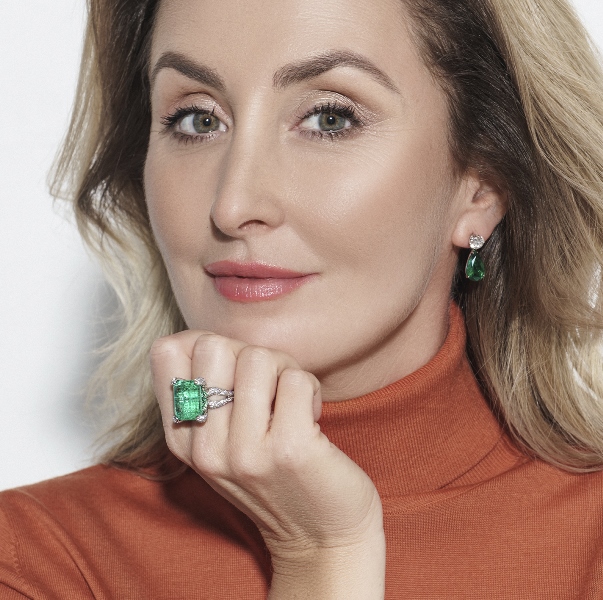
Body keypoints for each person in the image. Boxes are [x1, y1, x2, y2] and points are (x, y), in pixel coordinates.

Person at [2, 0, 603, 597]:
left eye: (329, 119)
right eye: (198, 120)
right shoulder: (38, 560)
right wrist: (321, 558)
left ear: (482, 187)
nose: (233, 205)